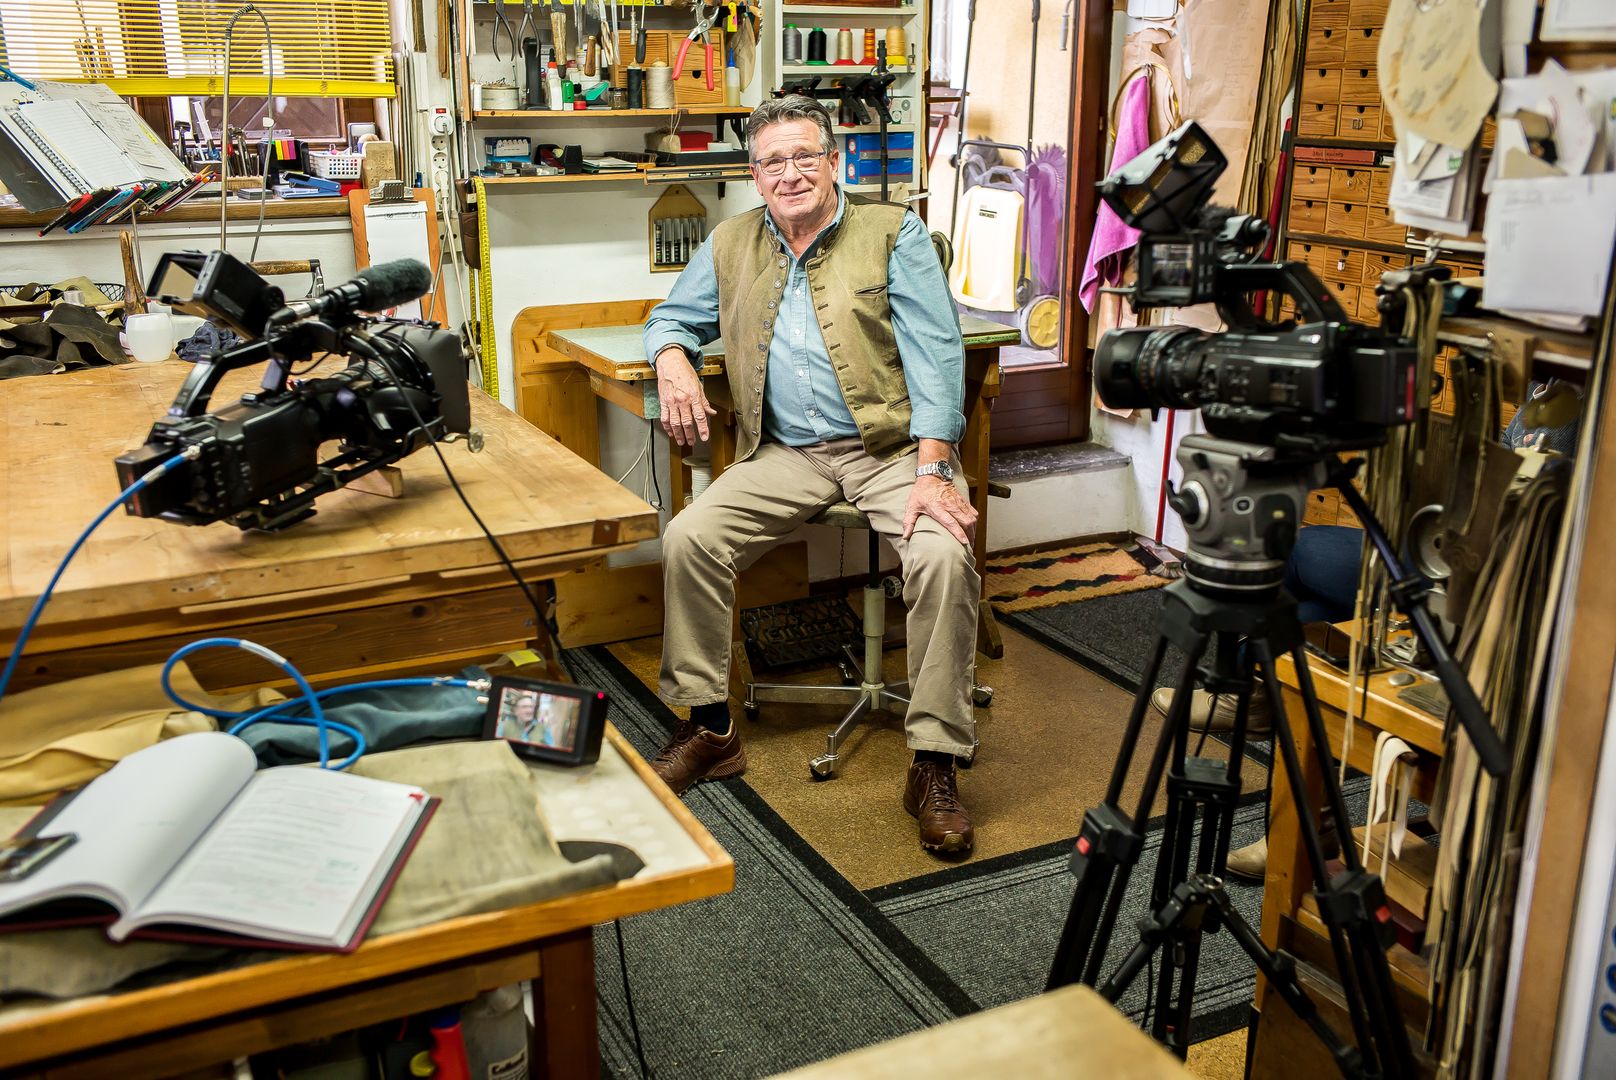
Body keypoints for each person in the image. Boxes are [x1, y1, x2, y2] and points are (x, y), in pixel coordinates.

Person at [640, 95, 981, 856]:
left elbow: (938, 358)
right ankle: (710, 727)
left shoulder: (894, 233)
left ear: (833, 163)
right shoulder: (731, 242)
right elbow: (671, 317)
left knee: (942, 554)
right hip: (785, 453)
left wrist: (933, 470)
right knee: (690, 536)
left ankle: (934, 762)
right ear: (754, 175)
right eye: (772, 162)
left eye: (804, 157)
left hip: (890, 449)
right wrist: (673, 361)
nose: (789, 174)